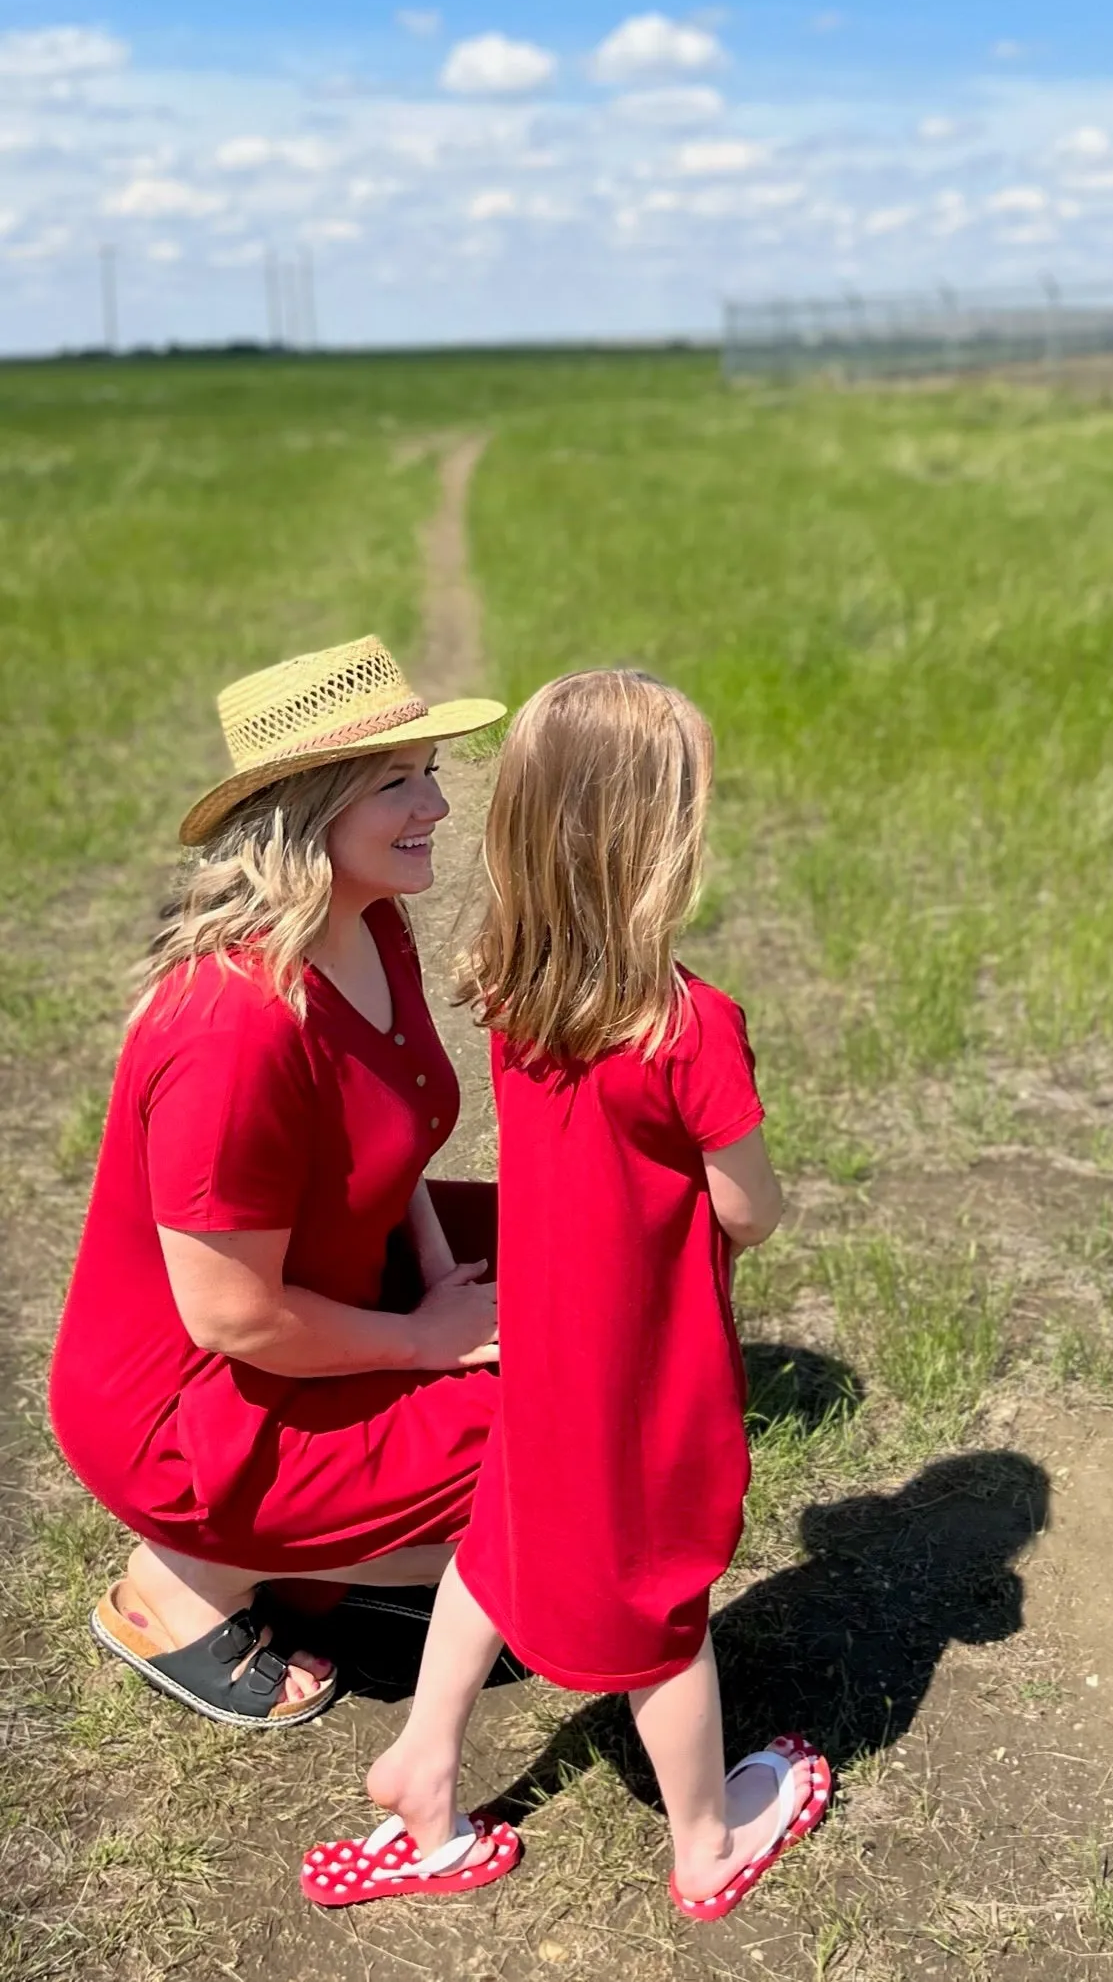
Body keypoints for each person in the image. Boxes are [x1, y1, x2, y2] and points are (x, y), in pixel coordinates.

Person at [301, 670, 830, 1915]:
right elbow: (746, 1205)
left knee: (502, 1529)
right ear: (662, 844)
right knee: (659, 1599)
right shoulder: (688, 1024)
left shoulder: (507, 979)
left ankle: (424, 1770)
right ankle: (705, 1841)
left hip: (539, 1341)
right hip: (641, 1367)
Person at [49, 635, 508, 1727]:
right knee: (570, 1416)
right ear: (302, 812)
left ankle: (341, 1554)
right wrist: (424, 1341)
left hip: (327, 1294)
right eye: (395, 782)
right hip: (189, 1416)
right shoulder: (234, 1026)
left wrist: (444, 1279)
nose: (436, 806)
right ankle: (196, 1573)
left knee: (601, 1258)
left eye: (430, 772)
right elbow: (231, 1317)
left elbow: (394, 1147)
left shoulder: (366, 919)